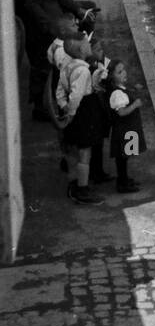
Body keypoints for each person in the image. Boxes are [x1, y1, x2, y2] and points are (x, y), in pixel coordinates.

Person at [24, 0, 86, 119]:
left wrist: (78, 9)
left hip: (55, 23)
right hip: (47, 29)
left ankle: (49, 103)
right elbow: (32, 3)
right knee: (46, 67)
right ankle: (44, 107)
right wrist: (48, 25)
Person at [56, 35, 107, 205]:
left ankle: (73, 184)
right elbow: (77, 95)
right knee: (85, 152)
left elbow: (60, 91)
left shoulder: (66, 66)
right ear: (81, 50)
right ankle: (82, 189)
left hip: (72, 112)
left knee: (72, 150)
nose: (88, 45)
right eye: (86, 44)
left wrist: (64, 106)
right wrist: (71, 111)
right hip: (84, 112)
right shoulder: (83, 70)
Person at [107, 60, 147, 194]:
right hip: (124, 130)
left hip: (129, 128)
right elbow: (121, 112)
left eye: (123, 70)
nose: (124, 73)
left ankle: (124, 179)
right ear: (112, 77)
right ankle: (122, 183)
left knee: (126, 154)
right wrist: (134, 105)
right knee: (123, 156)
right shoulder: (117, 93)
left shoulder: (122, 89)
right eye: (119, 72)